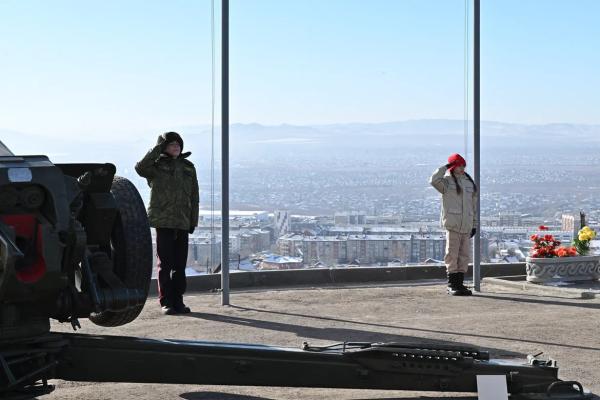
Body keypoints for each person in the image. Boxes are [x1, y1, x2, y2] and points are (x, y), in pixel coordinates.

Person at [135, 132, 199, 314]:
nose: (176, 147)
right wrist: (157, 148)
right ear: (163, 147)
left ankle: (178, 300)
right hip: (164, 221)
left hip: (182, 222)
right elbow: (140, 168)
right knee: (165, 264)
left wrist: (192, 220)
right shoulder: (156, 167)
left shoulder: (188, 167)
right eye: (171, 144)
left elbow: (194, 197)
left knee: (180, 265)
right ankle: (166, 302)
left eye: (178, 144)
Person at [429, 153, 477, 296]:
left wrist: (474, 224)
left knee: (464, 255)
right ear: (453, 166)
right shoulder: (446, 182)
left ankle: (460, 284)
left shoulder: (469, 183)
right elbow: (433, 180)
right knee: (452, 254)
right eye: (458, 165)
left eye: (463, 165)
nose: (462, 168)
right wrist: (446, 167)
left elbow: (473, 206)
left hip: (466, 225)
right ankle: (452, 284)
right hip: (453, 225)